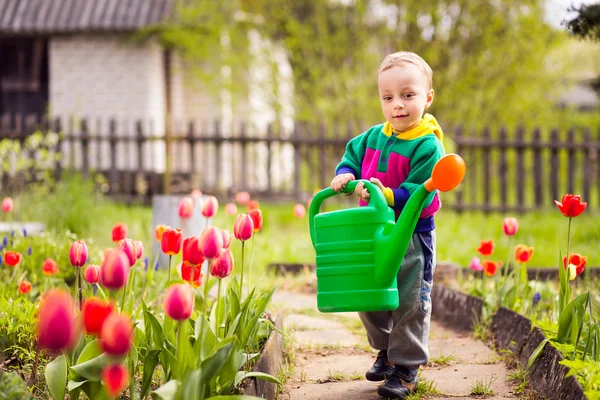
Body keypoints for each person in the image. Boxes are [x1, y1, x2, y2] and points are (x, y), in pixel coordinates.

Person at [329, 51, 445, 399]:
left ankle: (407, 366)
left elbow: (419, 192)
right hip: (373, 232)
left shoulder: (428, 145)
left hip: (411, 236)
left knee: (410, 300)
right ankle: (387, 351)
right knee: (371, 295)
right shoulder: (373, 137)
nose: (398, 105)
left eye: (408, 95)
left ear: (427, 97)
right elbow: (351, 155)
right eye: (388, 97)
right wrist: (345, 173)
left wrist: (387, 193)